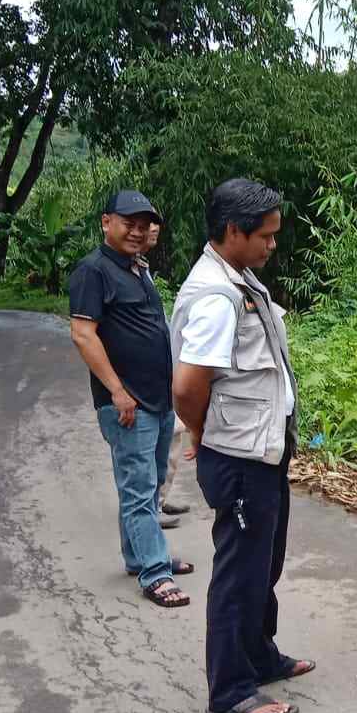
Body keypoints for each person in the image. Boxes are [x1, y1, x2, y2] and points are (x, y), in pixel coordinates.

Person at [172, 178, 313, 713]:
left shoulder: (241, 279)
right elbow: (188, 386)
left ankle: (259, 655)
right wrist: (202, 432)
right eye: (266, 236)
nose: (273, 244)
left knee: (265, 561)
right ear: (233, 231)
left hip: (261, 452)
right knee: (240, 571)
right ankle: (229, 689)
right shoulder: (216, 298)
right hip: (238, 457)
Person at [67, 190, 195, 608]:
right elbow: (84, 334)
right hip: (127, 404)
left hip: (157, 400)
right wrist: (117, 391)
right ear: (107, 222)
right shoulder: (93, 271)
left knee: (149, 484)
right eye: (129, 223)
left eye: (144, 225)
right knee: (139, 489)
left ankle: (138, 556)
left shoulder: (137, 269)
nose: (137, 232)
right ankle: (155, 573)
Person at [139, 221, 193, 529]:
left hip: (165, 370)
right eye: (147, 226)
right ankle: (151, 505)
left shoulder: (141, 266)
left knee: (170, 438)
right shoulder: (118, 270)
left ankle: (160, 497)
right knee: (158, 442)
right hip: (148, 379)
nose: (155, 230)